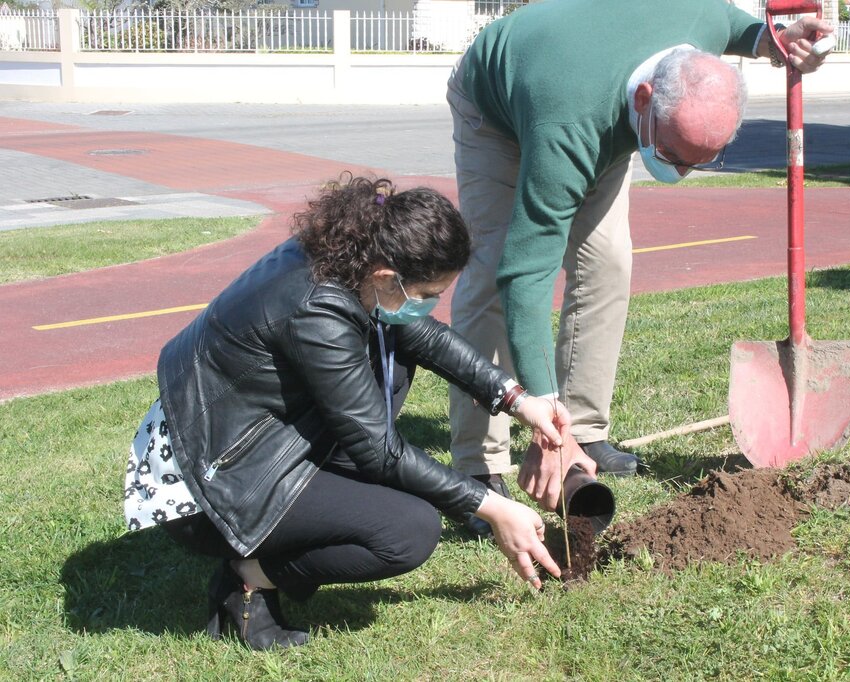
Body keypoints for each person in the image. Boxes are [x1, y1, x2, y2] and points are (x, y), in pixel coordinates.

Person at [122, 175, 570, 650]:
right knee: (408, 532)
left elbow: (422, 335)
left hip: (249, 441)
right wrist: (493, 507)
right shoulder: (317, 309)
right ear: (385, 276)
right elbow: (378, 450)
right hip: (210, 482)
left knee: (391, 375)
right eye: (426, 293)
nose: (430, 305)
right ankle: (247, 575)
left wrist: (518, 400)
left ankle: (264, 556)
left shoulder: (349, 256)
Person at [446, 0, 834, 530]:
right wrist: (541, 413)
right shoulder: (569, 122)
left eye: (700, 161)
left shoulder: (697, 19)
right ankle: (478, 467)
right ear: (648, 97)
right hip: (499, 104)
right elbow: (526, 271)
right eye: (674, 154)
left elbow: (738, 29)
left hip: (607, 110)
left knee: (607, 262)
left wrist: (776, 40)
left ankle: (584, 430)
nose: (680, 171)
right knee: (493, 271)